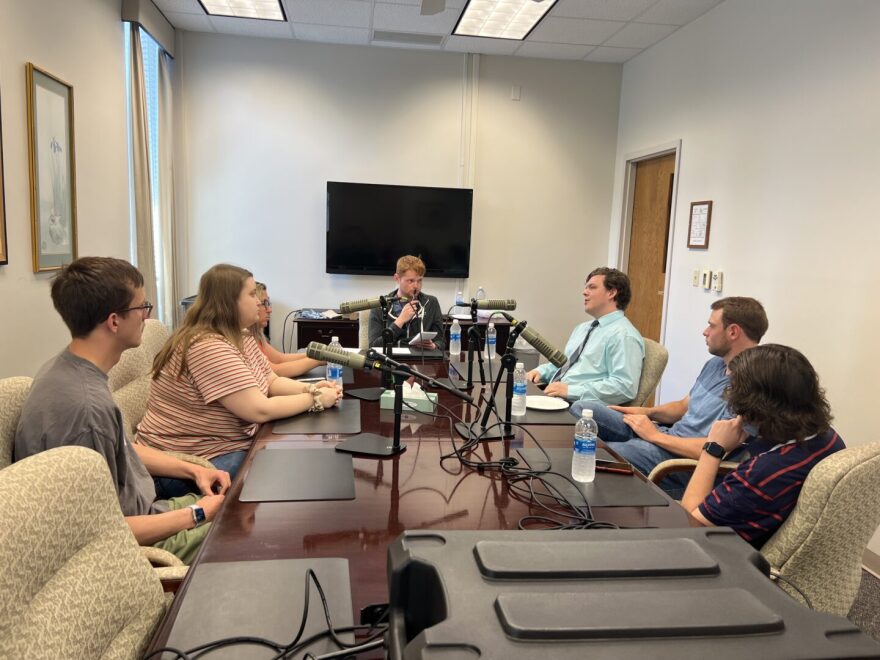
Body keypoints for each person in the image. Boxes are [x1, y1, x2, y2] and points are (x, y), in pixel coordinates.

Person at [14, 257, 230, 564]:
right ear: (114, 321)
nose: (146, 315)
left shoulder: (66, 369)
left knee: (238, 503)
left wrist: (195, 470)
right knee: (244, 533)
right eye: (142, 307)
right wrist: (196, 514)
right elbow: (101, 533)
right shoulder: (86, 409)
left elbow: (123, 447)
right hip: (133, 544)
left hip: (146, 513)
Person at [136, 264, 342, 479]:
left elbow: (271, 381)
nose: (258, 302)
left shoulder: (240, 335)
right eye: (252, 294)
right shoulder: (206, 345)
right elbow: (259, 410)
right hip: (187, 459)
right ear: (229, 302)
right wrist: (316, 399)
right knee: (285, 473)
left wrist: (310, 387)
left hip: (223, 445)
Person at [574, 297, 768, 497]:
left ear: (733, 331)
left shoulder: (755, 384)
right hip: (666, 436)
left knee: (595, 453)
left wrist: (655, 436)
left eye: (711, 325)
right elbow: (684, 406)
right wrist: (647, 412)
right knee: (581, 409)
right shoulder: (715, 364)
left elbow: (718, 448)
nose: (705, 331)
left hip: (683, 463)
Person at [681, 344, 845, 548]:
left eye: (733, 389)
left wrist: (713, 448)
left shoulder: (762, 473)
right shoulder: (827, 436)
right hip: (760, 523)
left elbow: (690, 524)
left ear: (754, 404)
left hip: (725, 555)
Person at [527, 267, 644, 403]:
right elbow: (567, 365)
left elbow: (624, 387)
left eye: (592, 287)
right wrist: (541, 372)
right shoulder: (583, 328)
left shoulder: (624, 335)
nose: (584, 292)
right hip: (556, 397)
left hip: (580, 408)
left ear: (611, 292)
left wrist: (571, 391)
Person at [368, 255, 446, 351]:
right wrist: (400, 321)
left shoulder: (431, 303)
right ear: (397, 278)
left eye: (419, 280)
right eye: (411, 281)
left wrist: (434, 346)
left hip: (422, 362)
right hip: (391, 361)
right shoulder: (380, 306)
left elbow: (441, 342)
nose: (416, 286)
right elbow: (373, 346)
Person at [251, 281, 324, 378]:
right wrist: (319, 359)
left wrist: (319, 354)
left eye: (268, 303)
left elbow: (280, 358)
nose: (270, 310)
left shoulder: (257, 336)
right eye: (264, 303)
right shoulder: (244, 339)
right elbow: (275, 371)